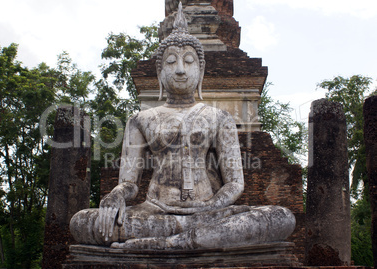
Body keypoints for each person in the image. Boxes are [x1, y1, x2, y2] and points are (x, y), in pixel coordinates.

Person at [70, 3, 295, 250]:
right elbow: (130, 183)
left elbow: (235, 184)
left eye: (188, 61)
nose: (179, 70)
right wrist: (116, 195)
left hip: (209, 212)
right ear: (159, 72)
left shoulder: (218, 117)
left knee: (280, 217)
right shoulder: (141, 119)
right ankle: (190, 238)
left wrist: (213, 206)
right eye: (171, 62)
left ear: (200, 70)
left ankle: (169, 244)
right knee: (82, 223)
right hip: (155, 214)